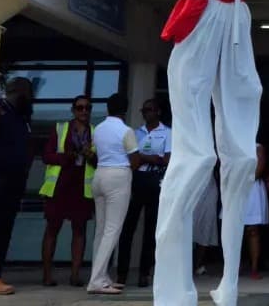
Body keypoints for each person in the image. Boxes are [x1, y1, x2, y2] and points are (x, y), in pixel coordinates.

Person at [154, 0, 263, 306]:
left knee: (239, 143)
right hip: (203, 19)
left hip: (234, 21)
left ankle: (228, 285)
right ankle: (173, 285)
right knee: (196, 148)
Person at [0, 77, 35, 295]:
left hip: (15, 179)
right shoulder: (0, 110)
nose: (30, 99)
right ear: (18, 93)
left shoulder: (22, 118)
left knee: (3, 230)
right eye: (28, 94)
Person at [39, 95, 95, 287]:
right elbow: (46, 156)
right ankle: (47, 275)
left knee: (79, 230)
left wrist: (91, 156)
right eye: (80, 108)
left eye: (87, 108)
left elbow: (99, 162)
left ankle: (75, 275)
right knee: (52, 229)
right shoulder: (60, 128)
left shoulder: (94, 132)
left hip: (81, 186)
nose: (84, 111)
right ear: (73, 110)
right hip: (60, 185)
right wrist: (67, 156)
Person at [87, 94, 140, 295]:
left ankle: (100, 276)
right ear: (125, 109)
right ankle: (96, 281)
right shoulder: (126, 131)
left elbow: (96, 152)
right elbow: (134, 161)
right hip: (118, 176)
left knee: (101, 231)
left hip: (99, 175)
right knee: (112, 230)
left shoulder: (99, 128)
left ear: (108, 108)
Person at [117, 98, 171, 288]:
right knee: (128, 228)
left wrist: (142, 157)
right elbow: (130, 158)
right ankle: (121, 274)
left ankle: (144, 273)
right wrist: (149, 158)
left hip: (155, 181)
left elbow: (165, 160)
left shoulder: (167, 133)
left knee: (151, 229)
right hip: (136, 180)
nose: (145, 113)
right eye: (143, 110)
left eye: (149, 110)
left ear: (158, 112)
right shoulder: (135, 133)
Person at [242, 142, 269, 280]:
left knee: (252, 230)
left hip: (251, 189)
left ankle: (254, 268)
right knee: (233, 230)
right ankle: (232, 267)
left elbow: (259, 168)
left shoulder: (257, 147)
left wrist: (244, 180)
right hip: (235, 189)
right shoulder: (232, 143)